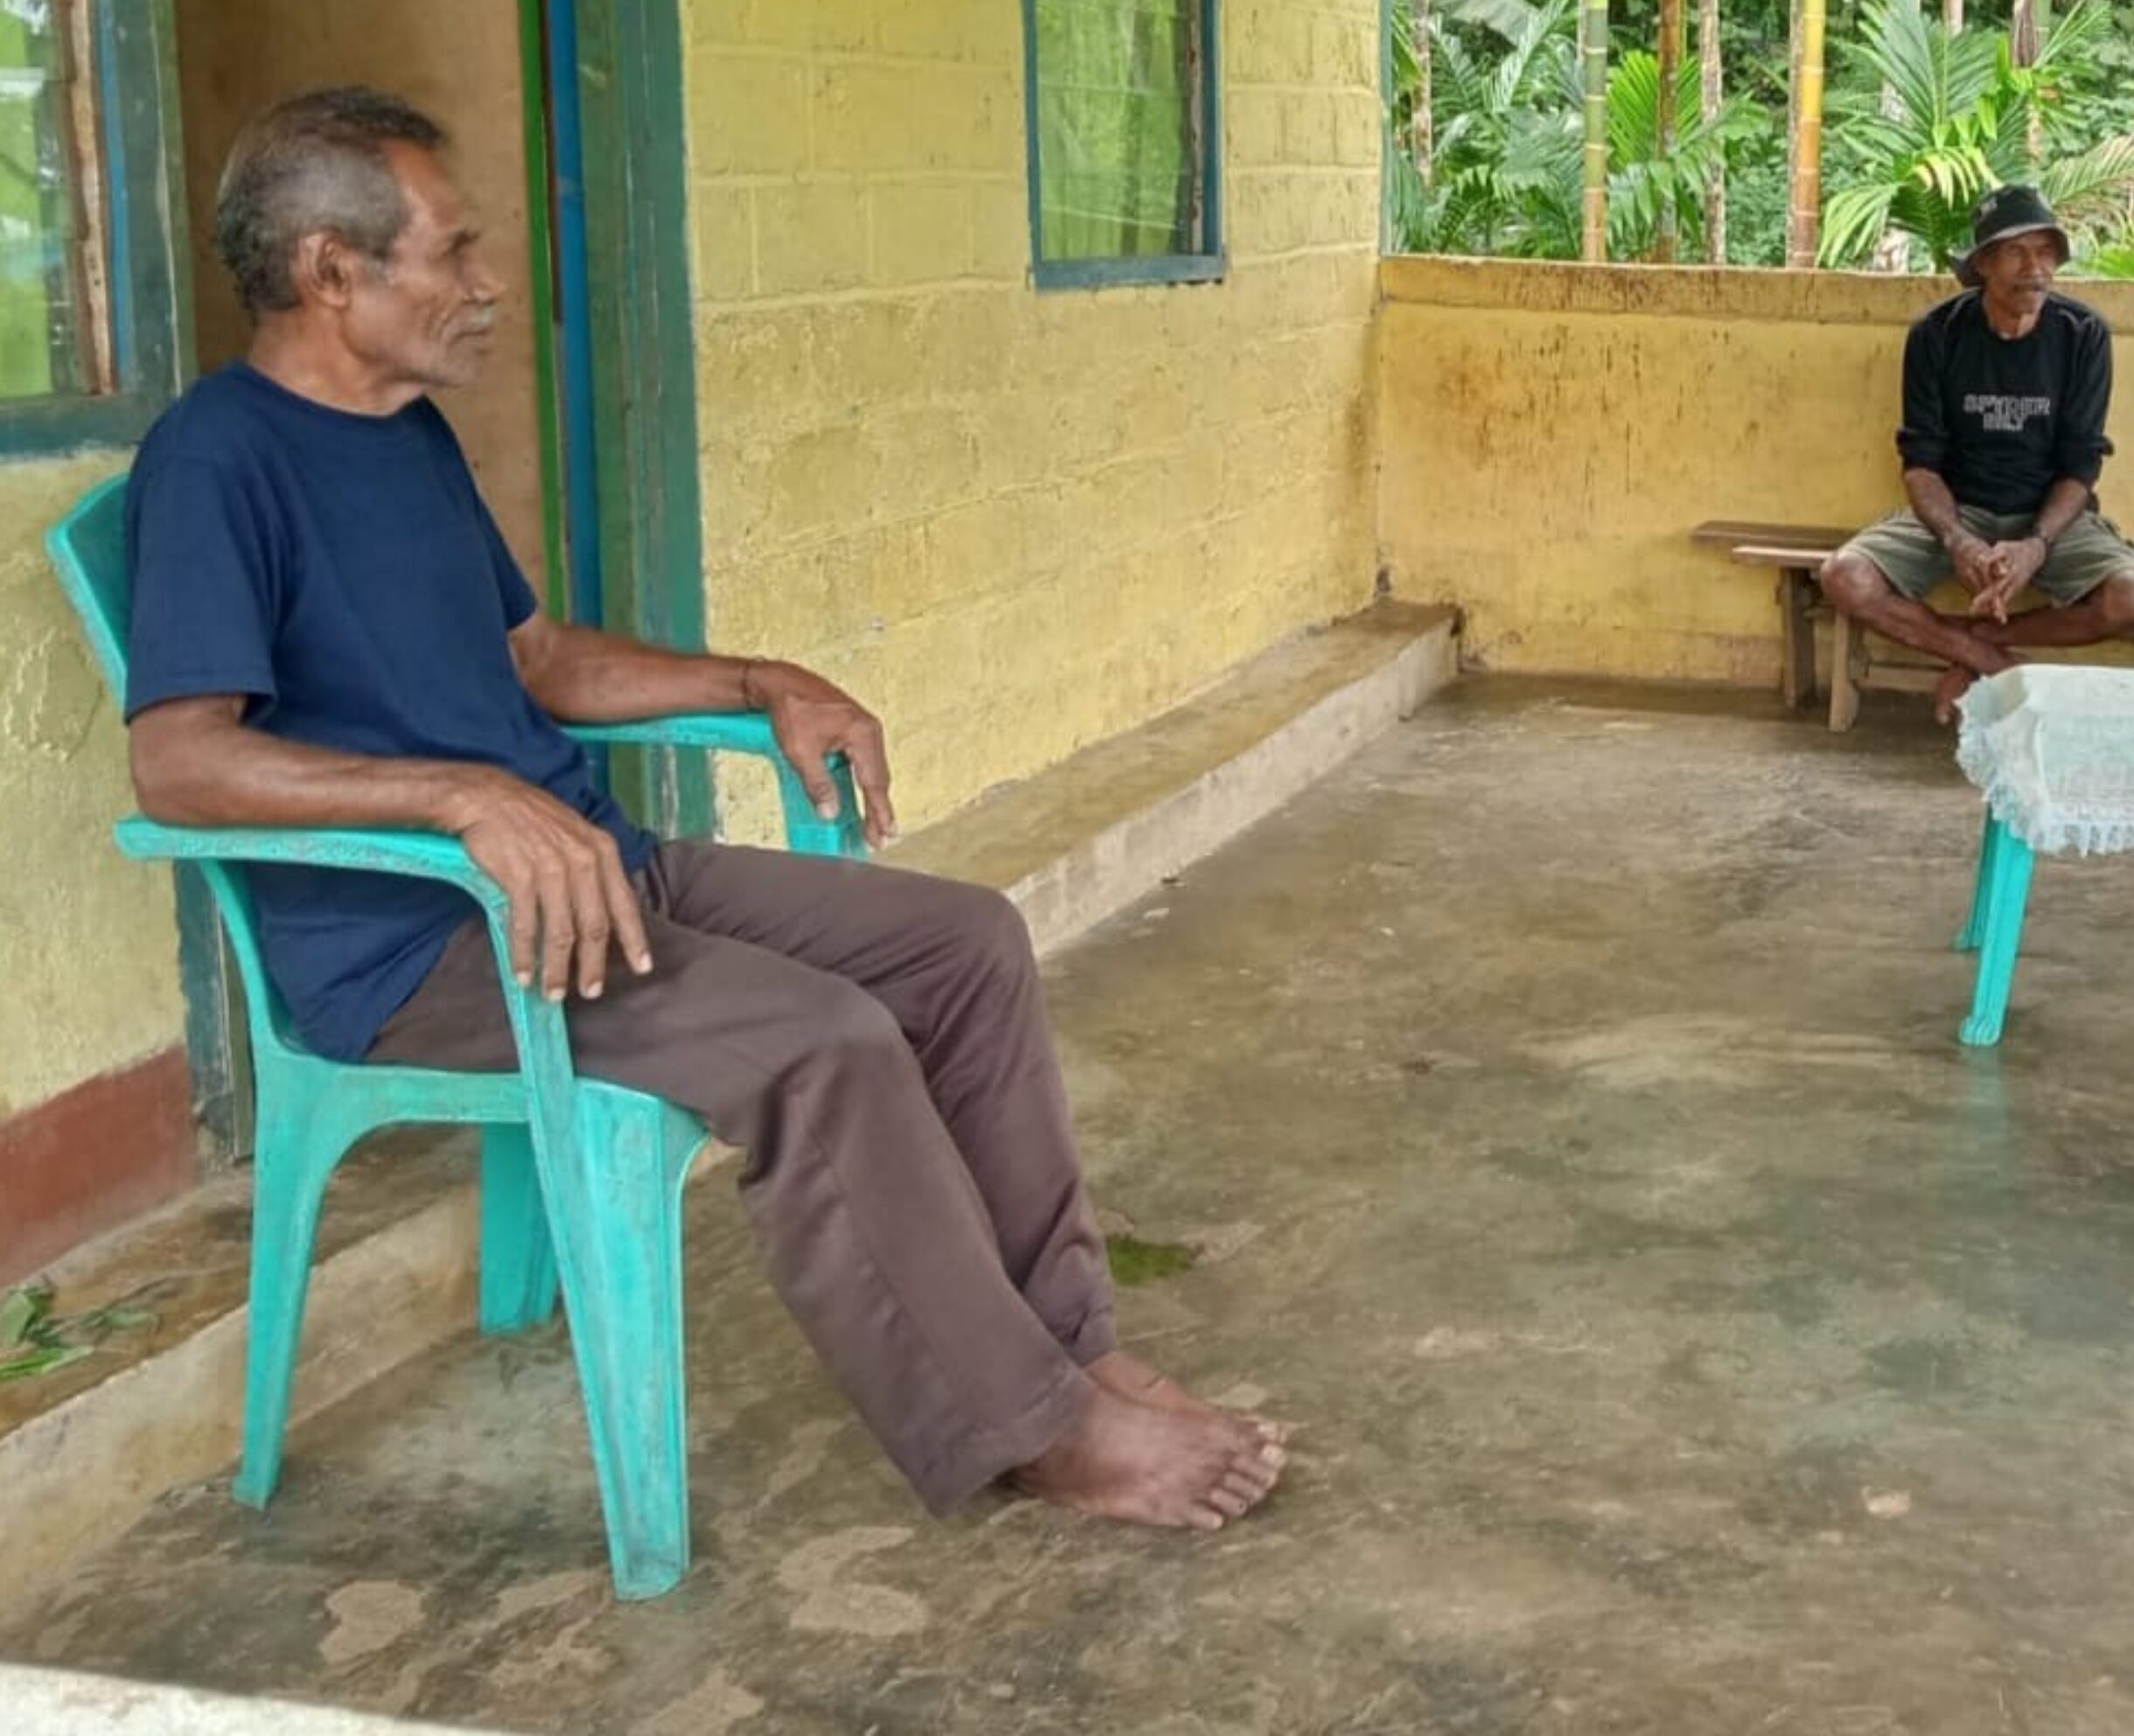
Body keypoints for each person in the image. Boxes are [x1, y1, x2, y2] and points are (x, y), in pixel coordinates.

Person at [117, 87, 1284, 1535]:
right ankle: (1034, 1433)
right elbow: (178, 761)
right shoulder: (217, 461)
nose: (488, 283)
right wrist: (463, 797)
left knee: (966, 944)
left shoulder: (404, 434)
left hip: (594, 878)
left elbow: (538, 661)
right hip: (425, 947)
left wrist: (756, 679)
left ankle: (1067, 1350)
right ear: (329, 271)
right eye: (455, 250)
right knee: (822, 1043)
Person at [1817, 185, 2134, 722]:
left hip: (2051, 518)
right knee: (1843, 576)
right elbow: (1921, 464)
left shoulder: (2083, 334)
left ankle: (1970, 646)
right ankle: (1998, 665)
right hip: (1959, 511)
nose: (2035, 269)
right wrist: (1958, 540)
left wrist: (2036, 546)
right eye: (2016, 252)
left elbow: (2081, 465)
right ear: (1983, 264)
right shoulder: (1936, 335)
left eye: (2045, 252)